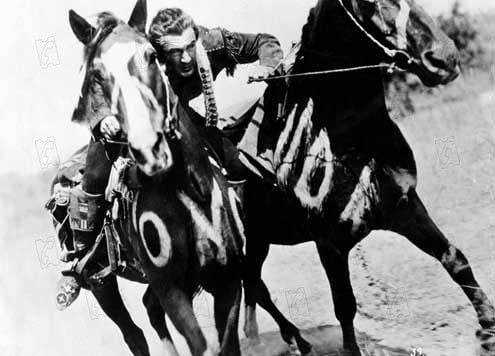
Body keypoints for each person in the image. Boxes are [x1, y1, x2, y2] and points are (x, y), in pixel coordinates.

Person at [55, 8, 284, 309]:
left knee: (235, 161)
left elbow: (264, 42)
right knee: (95, 169)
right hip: (133, 125)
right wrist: (102, 118)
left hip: (182, 121)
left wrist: (270, 65)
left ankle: (238, 238)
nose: (186, 59)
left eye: (190, 48)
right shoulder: (140, 54)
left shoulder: (214, 42)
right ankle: (82, 259)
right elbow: (95, 90)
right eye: (176, 53)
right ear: (160, 51)